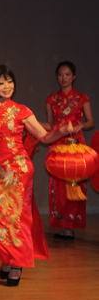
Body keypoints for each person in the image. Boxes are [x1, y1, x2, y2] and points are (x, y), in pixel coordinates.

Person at [0, 65, 72, 286]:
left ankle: (16, 263)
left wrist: (61, 132)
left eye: (10, 82)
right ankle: (7, 257)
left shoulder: (22, 110)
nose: (7, 87)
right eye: (1, 83)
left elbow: (43, 136)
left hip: (18, 170)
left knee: (15, 218)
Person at [42, 61, 94, 240]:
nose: (63, 78)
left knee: (74, 185)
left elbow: (91, 122)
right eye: (60, 74)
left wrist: (80, 126)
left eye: (67, 74)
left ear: (74, 76)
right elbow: (49, 125)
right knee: (57, 186)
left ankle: (70, 226)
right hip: (57, 144)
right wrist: (28, 123)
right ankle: (62, 225)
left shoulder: (82, 98)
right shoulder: (51, 99)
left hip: (75, 145)